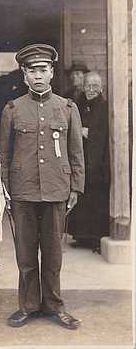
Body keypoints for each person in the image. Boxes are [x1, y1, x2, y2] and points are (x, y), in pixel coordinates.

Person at [0, 44, 85, 330]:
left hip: (57, 187)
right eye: (32, 70)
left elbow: (76, 153)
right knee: (25, 253)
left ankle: (54, 306)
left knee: (53, 253)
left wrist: (76, 187)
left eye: (43, 70)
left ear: (51, 73)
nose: (38, 76)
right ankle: (28, 306)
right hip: (22, 190)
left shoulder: (67, 108)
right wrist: (6, 188)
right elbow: (5, 153)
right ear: (24, 75)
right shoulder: (12, 109)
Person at [68, 71, 109, 253]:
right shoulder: (80, 103)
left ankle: (95, 238)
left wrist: (87, 133)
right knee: (82, 198)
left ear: (101, 88)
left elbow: (103, 133)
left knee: (96, 200)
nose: (91, 90)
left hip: (98, 159)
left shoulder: (104, 106)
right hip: (83, 157)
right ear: (83, 87)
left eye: (95, 87)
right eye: (88, 86)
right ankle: (82, 237)